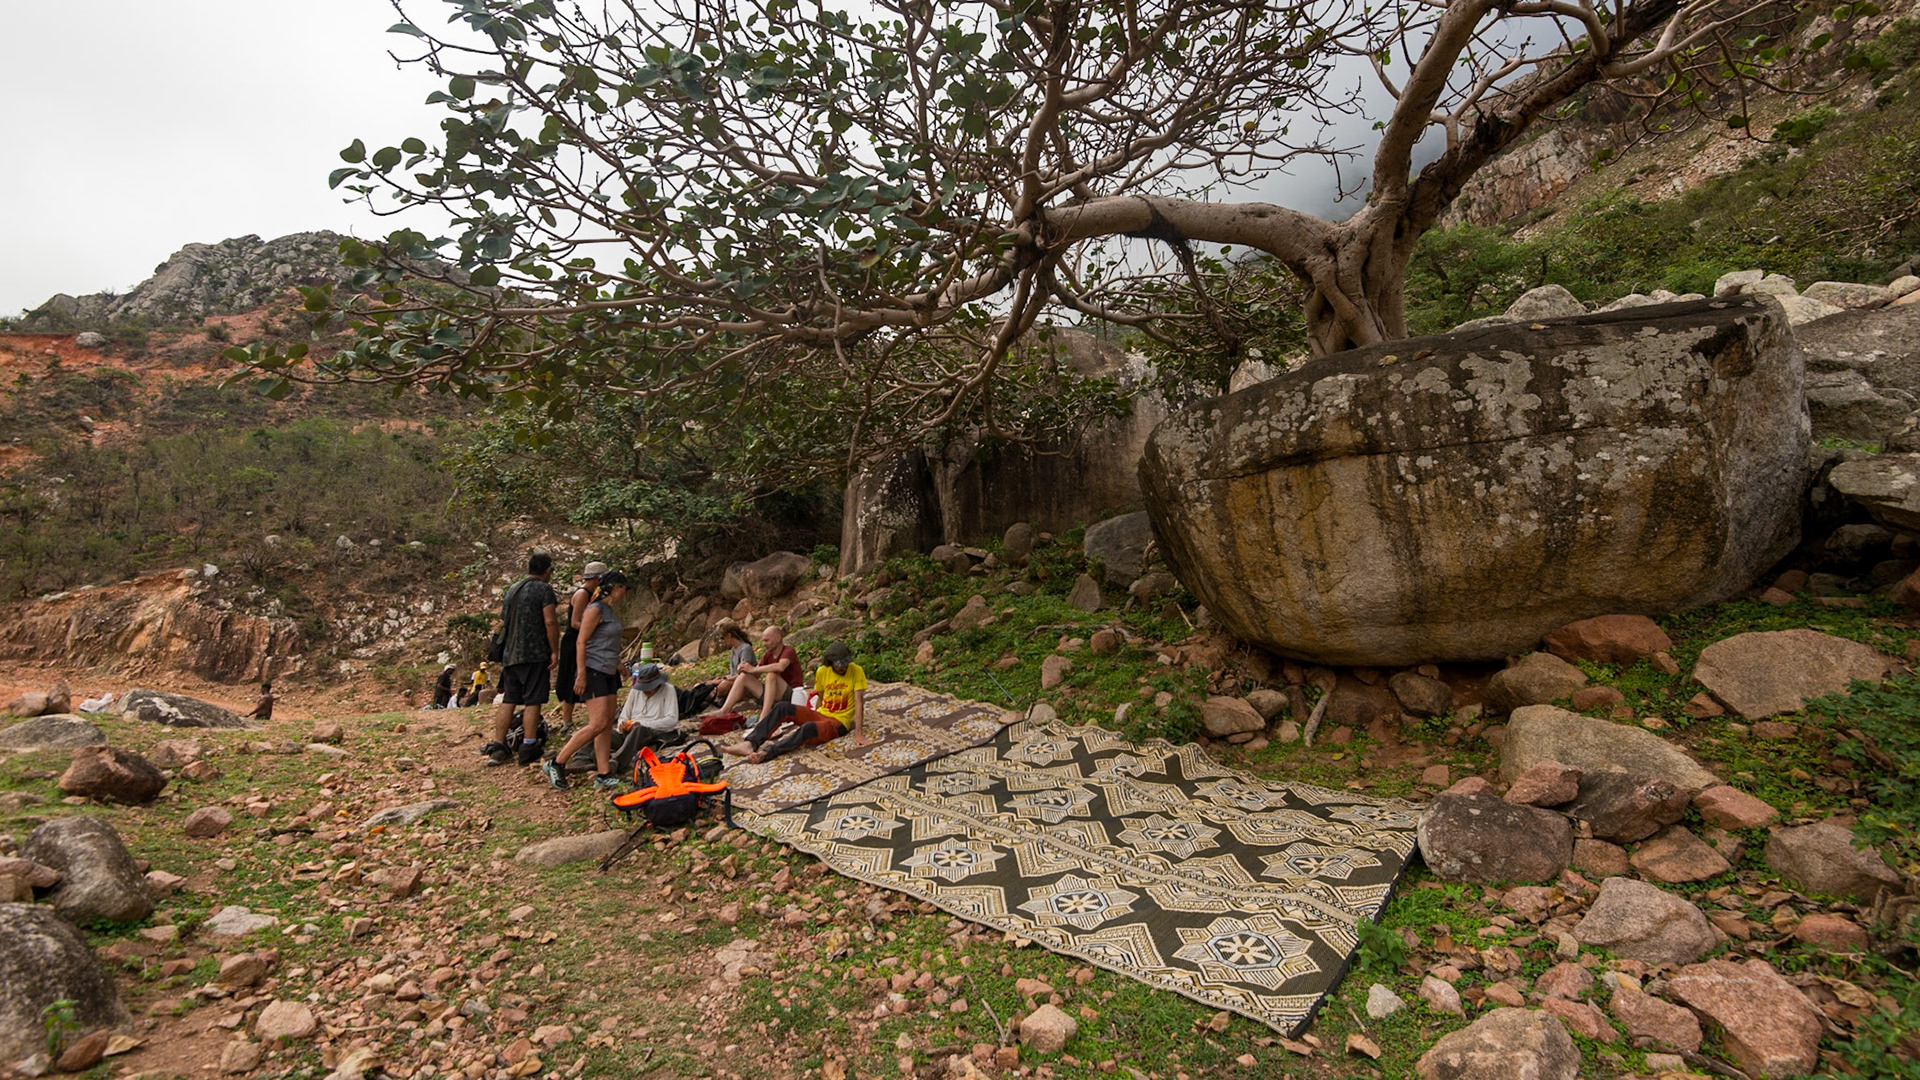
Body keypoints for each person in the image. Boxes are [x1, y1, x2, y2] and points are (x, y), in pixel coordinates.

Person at [543, 570, 629, 790]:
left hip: (608, 670)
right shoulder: (595, 609)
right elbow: (581, 642)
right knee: (597, 722)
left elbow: (605, 641)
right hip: (593, 671)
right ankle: (557, 762)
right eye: (623, 588)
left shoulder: (609, 611)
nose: (625, 594)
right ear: (615, 588)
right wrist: (581, 673)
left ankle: (603, 773)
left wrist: (619, 664)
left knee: (606, 723)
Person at [724, 640, 870, 763]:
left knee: (808, 728)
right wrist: (812, 713)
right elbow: (820, 696)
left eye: (845, 664)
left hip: (839, 723)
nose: (843, 667)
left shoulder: (856, 671)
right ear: (830, 663)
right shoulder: (823, 671)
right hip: (822, 714)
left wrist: (858, 732)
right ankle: (750, 743)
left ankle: (769, 752)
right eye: (839, 665)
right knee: (782, 707)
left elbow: (859, 702)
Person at [480, 549, 560, 765]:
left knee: (510, 700)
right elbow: (550, 622)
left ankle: (499, 745)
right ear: (548, 570)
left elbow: (505, 620)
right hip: (534, 654)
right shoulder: (544, 590)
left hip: (510, 654)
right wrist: (555, 650)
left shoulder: (512, 590)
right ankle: (529, 746)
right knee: (533, 700)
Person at [553, 561, 608, 733]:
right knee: (572, 678)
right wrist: (593, 627)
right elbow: (575, 622)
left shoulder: (593, 594)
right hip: (574, 641)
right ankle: (567, 722)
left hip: (585, 639)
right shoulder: (582, 594)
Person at [606, 662, 681, 779]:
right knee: (604, 734)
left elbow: (672, 720)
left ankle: (616, 763)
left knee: (639, 730)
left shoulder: (668, 690)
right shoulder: (635, 692)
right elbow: (624, 716)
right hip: (629, 733)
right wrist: (623, 725)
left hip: (651, 732)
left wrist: (641, 724)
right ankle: (584, 760)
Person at [718, 625, 802, 722]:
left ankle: (764, 715)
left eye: (766, 640)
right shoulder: (767, 655)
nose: (764, 644)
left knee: (771, 675)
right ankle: (724, 710)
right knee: (744, 677)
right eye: (763, 641)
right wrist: (744, 670)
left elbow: (780, 666)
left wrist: (753, 669)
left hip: (791, 695)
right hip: (772, 697)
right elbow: (755, 673)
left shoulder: (788, 651)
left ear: (778, 638)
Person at [700, 623, 756, 708]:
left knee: (722, 687)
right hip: (733, 679)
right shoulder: (733, 650)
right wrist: (720, 679)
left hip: (744, 682)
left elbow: (743, 674)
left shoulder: (745, 649)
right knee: (703, 686)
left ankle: (720, 698)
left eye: (723, 638)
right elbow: (733, 673)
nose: (723, 641)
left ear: (729, 636)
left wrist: (724, 680)